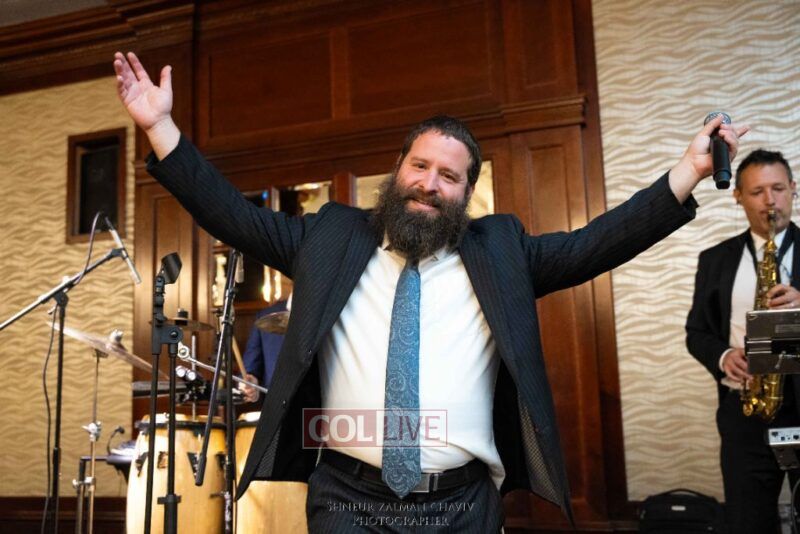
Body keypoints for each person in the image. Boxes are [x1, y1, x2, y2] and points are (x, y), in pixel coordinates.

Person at [114, 50, 745, 531]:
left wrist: (688, 170)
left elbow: (597, 243)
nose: (429, 183)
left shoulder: (501, 251)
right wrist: (162, 128)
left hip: (463, 505)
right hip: (346, 500)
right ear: (398, 171)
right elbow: (232, 214)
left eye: (449, 175)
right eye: (419, 165)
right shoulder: (331, 236)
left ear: (466, 194)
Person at [686, 149, 800, 534]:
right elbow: (696, 332)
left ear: (793, 189)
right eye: (757, 192)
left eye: (778, 188)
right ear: (737, 196)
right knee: (747, 521)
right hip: (745, 411)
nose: (770, 201)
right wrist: (723, 356)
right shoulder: (714, 259)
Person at [239, 299, 287, 403]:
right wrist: (251, 384)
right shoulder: (265, 316)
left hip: (318, 406)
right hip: (276, 403)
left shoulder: (322, 313)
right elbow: (250, 367)